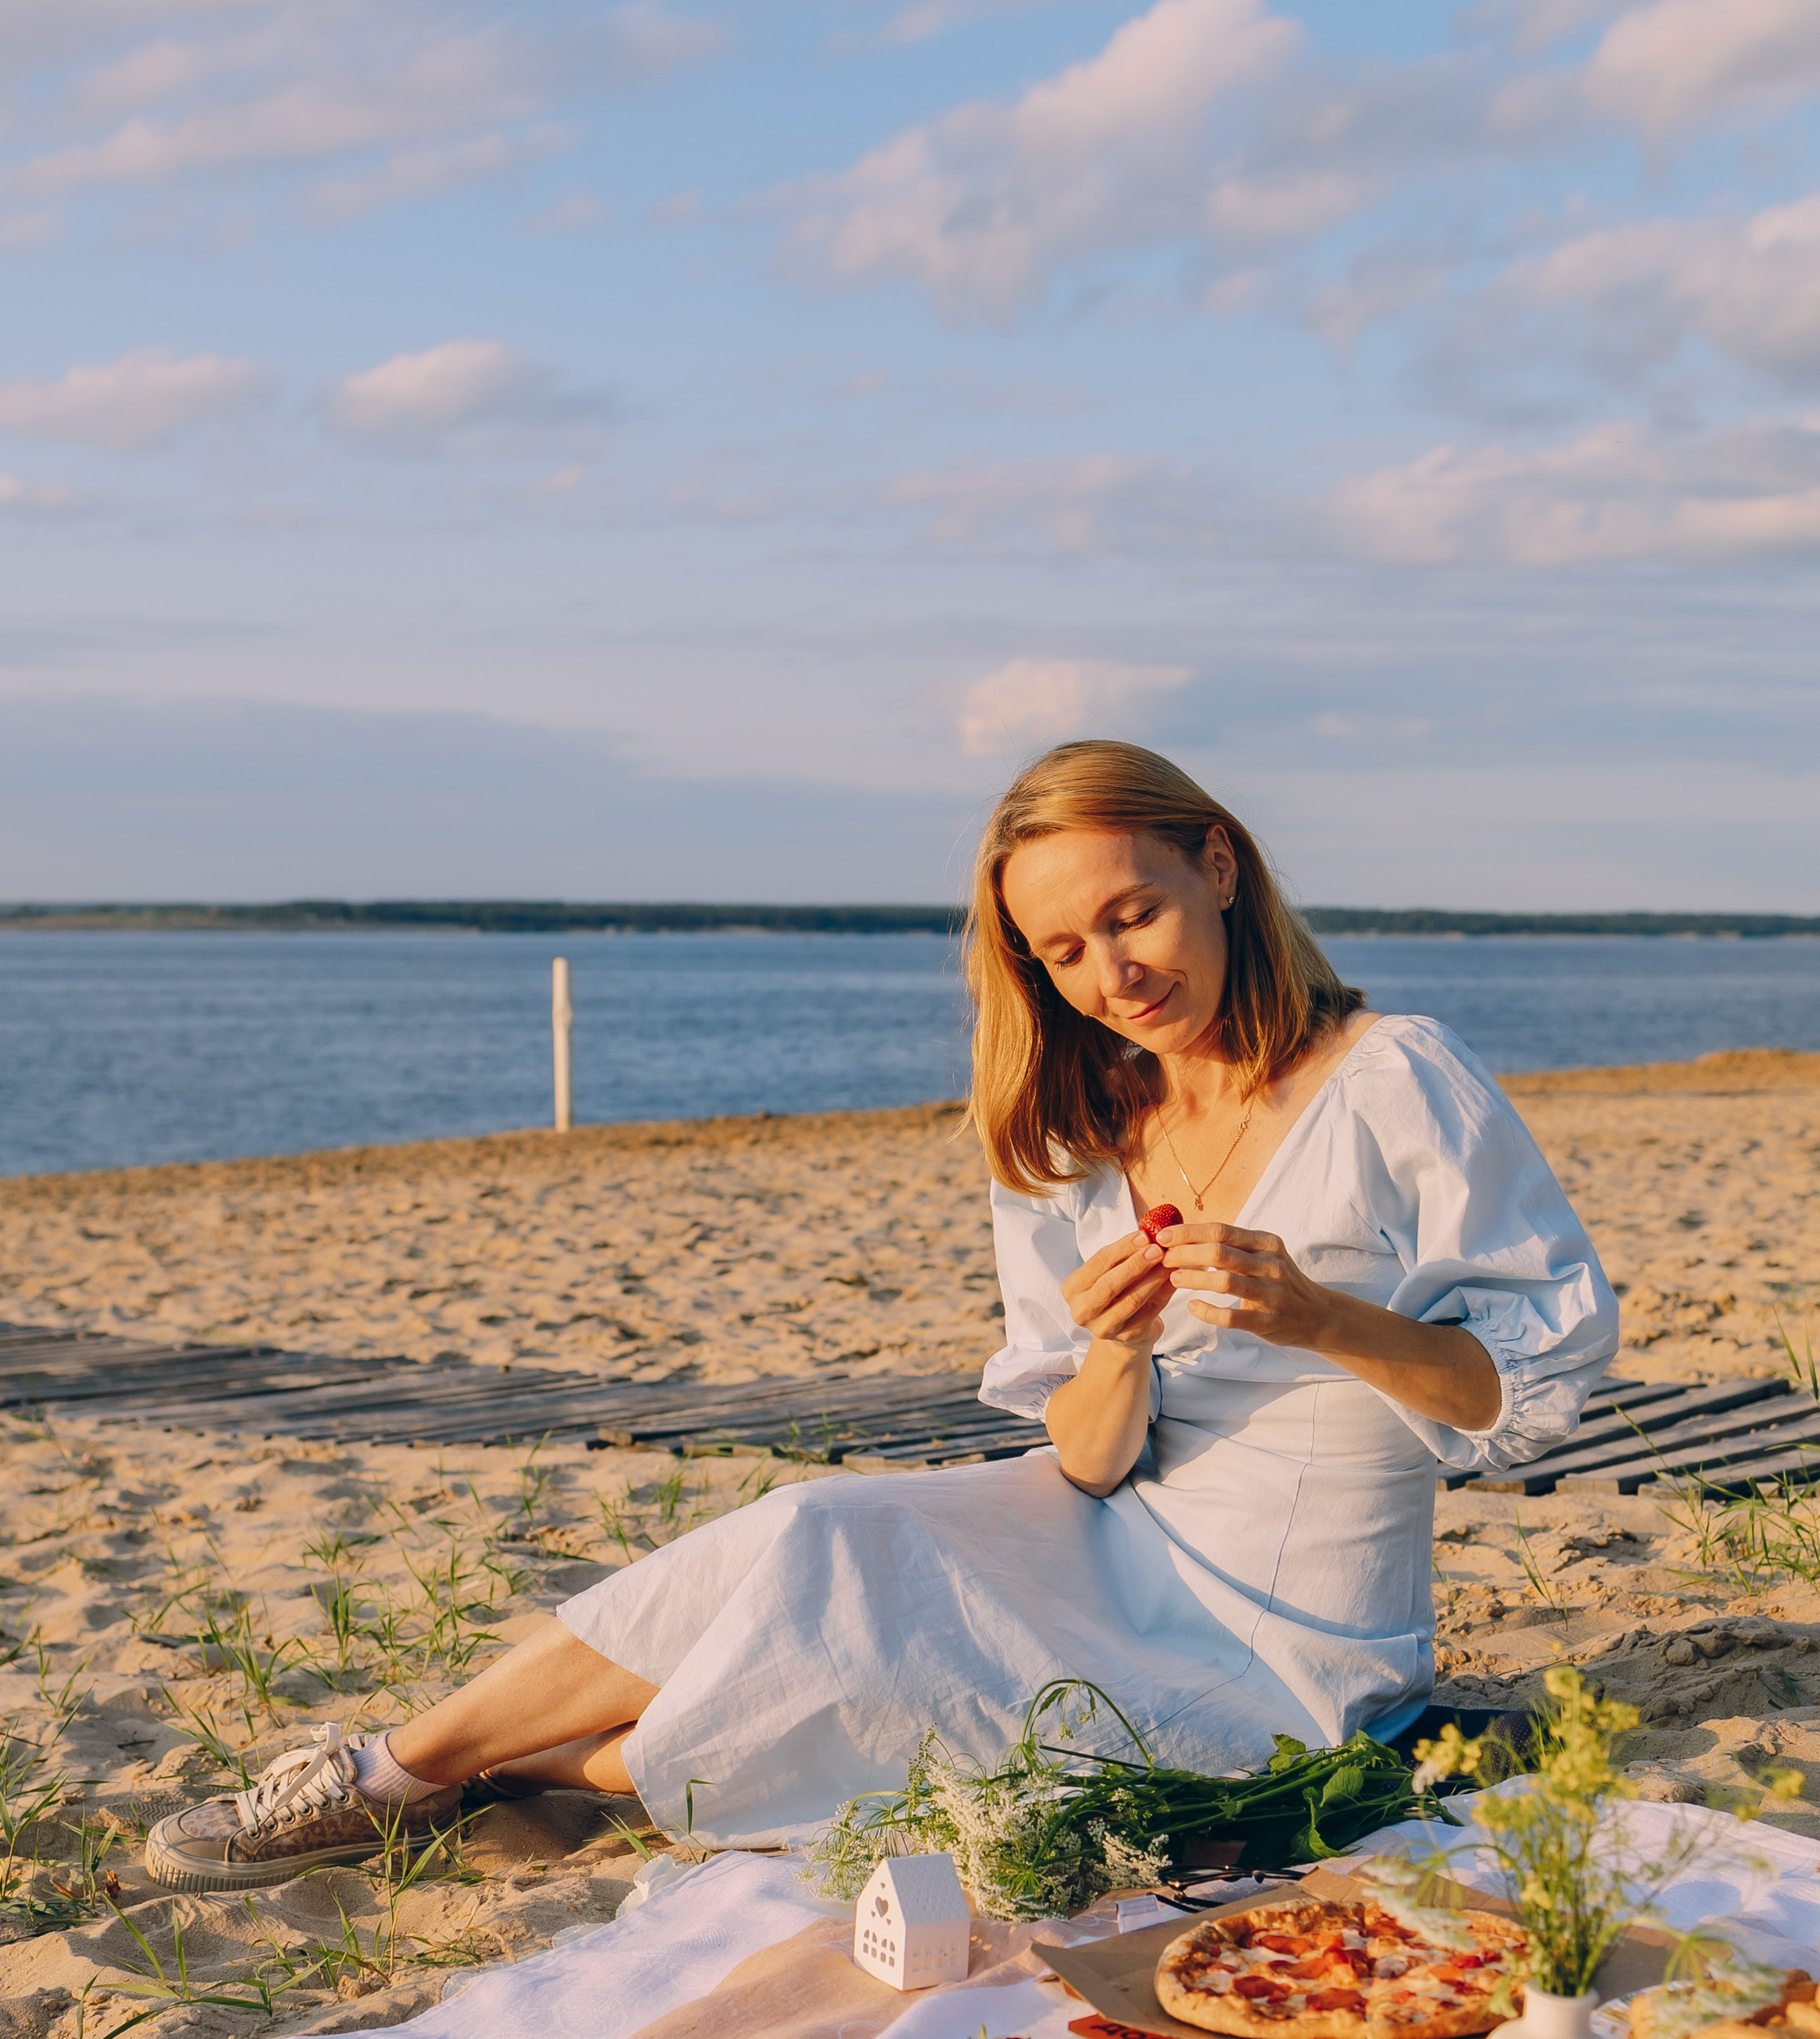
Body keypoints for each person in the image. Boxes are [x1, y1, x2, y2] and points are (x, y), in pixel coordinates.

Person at [146, 740, 1618, 1891]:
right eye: (1065, 951)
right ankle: (399, 1768)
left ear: (1218, 866)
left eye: (1135, 913)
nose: (1115, 976)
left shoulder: (1394, 1078)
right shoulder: (1081, 1133)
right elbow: (1092, 1462)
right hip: (1113, 1535)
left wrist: (1322, 1319)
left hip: (1294, 1642)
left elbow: (1532, 1387)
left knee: (899, 1706)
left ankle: (430, 1778)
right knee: (815, 1536)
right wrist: (1116, 1344)